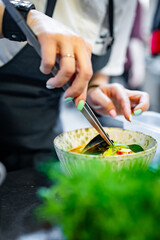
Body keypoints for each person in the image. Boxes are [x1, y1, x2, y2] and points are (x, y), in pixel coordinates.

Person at [0, 0, 149, 171]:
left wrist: (95, 90)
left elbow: (99, 75)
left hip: (42, 142)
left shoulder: (124, 4)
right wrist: (27, 18)